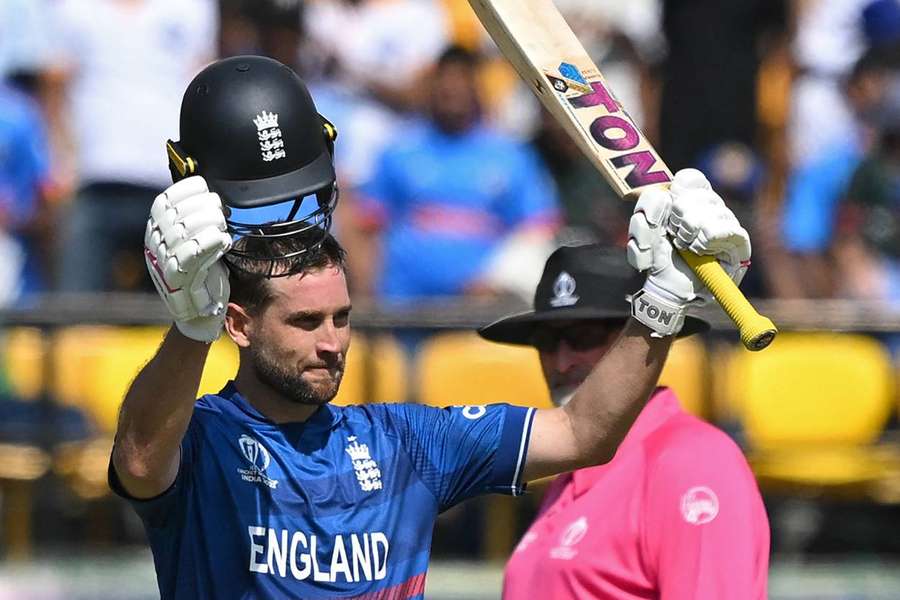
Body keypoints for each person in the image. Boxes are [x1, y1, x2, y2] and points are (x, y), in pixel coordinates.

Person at [109, 54, 752, 599]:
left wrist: (663, 301)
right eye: (305, 322)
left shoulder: (407, 443)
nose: (331, 343)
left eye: (341, 318)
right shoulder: (206, 440)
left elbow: (583, 432)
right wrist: (191, 329)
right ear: (240, 324)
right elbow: (139, 461)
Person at [479, 246, 769, 598]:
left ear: (643, 341)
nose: (562, 361)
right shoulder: (570, 467)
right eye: (546, 341)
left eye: (584, 336)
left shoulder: (695, 460)